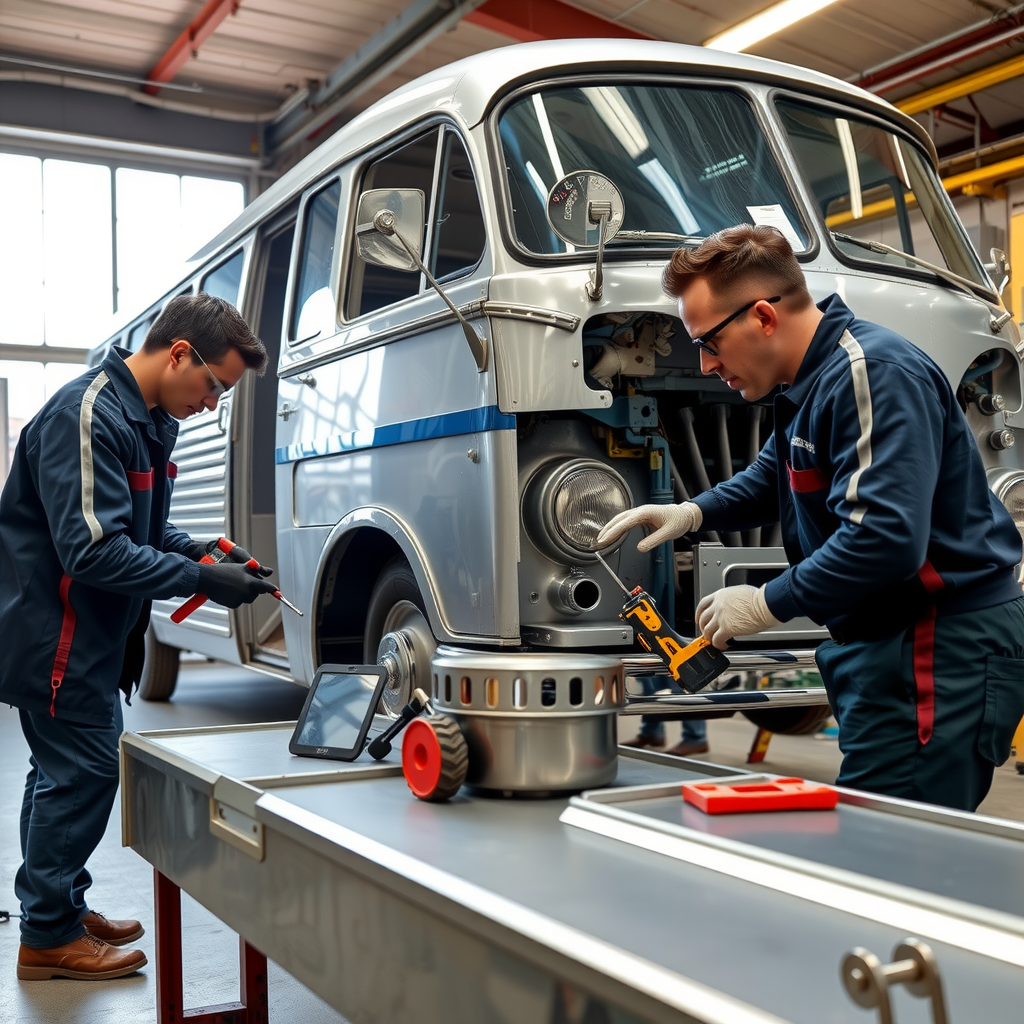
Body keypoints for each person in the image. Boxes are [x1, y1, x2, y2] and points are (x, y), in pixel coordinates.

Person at [598, 224, 1024, 812]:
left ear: (763, 317)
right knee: (885, 829)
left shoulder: (871, 374)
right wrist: (691, 512)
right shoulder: (808, 384)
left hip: (934, 642)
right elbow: (771, 477)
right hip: (891, 642)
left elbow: (884, 539)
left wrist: (766, 602)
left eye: (710, 342)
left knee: (896, 843)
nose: (705, 363)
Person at [0, 294, 279, 981]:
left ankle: (58, 906)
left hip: (90, 638)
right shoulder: (88, 414)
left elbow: (140, 532)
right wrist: (200, 580)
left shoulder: (148, 420)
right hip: (58, 638)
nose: (211, 404)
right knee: (84, 772)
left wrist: (203, 554)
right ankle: (48, 937)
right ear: (179, 353)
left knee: (61, 773)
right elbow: (93, 551)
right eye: (213, 385)